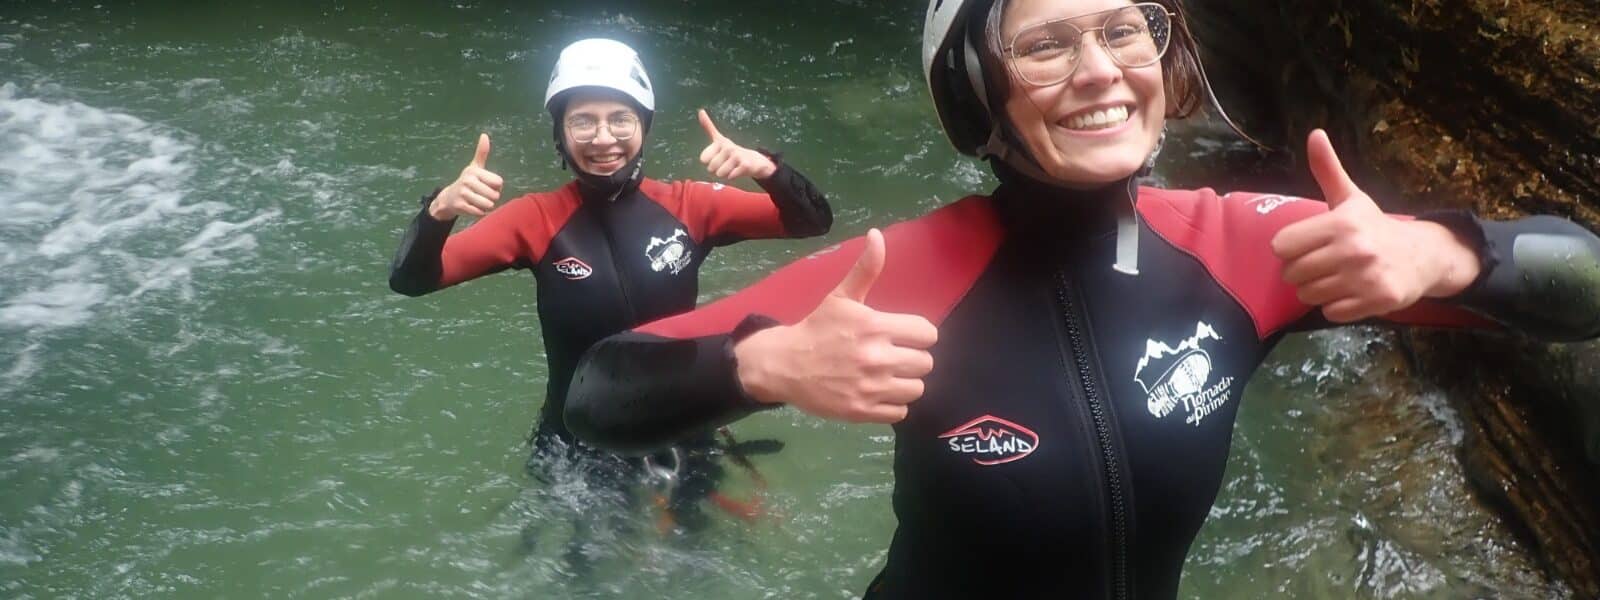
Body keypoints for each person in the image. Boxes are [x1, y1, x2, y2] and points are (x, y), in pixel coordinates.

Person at [560, 2, 1600, 598]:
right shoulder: (910, 271)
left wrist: (1443, 257)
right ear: (975, 88)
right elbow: (600, 389)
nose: (1101, 72)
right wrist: (758, 365)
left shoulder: (1244, 248)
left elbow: (1579, 281)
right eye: (1047, 44)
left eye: (1123, 29)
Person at [387, 38, 831, 525]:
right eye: (583, 120)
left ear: (644, 126)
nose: (603, 138)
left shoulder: (690, 206)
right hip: (577, 440)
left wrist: (768, 170)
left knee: (692, 562)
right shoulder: (534, 220)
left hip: (682, 424)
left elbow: (811, 221)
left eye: (621, 118)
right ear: (560, 132)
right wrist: (438, 211)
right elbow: (412, 280)